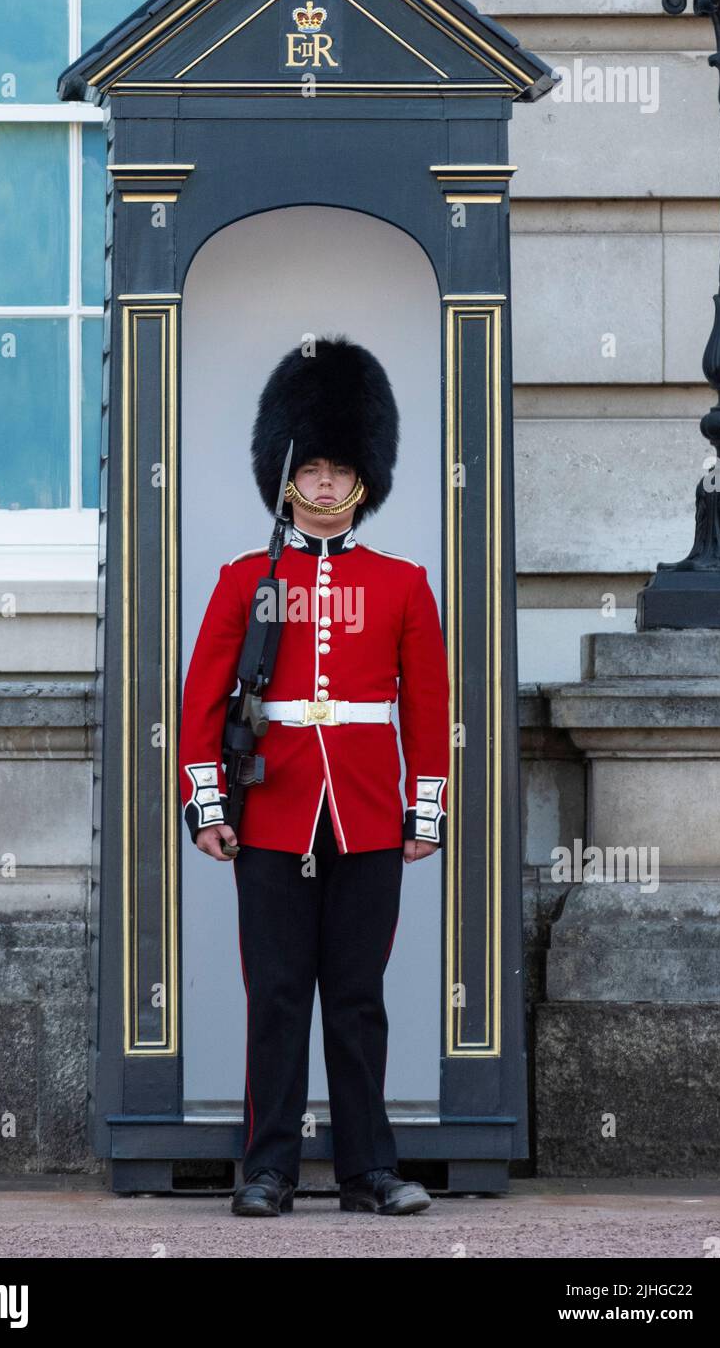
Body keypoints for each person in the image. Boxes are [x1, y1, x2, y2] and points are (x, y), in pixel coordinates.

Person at [178, 334, 450, 1216]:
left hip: (368, 811)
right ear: (288, 475)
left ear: (363, 477)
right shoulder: (244, 580)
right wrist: (207, 804)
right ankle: (268, 1169)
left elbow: (425, 711)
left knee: (359, 999)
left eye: (340, 467)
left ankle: (370, 1170)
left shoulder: (403, 584)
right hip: (273, 810)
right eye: (313, 468)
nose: (326, 483)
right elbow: (200, 703)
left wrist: (426, 809)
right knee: (279, 995)